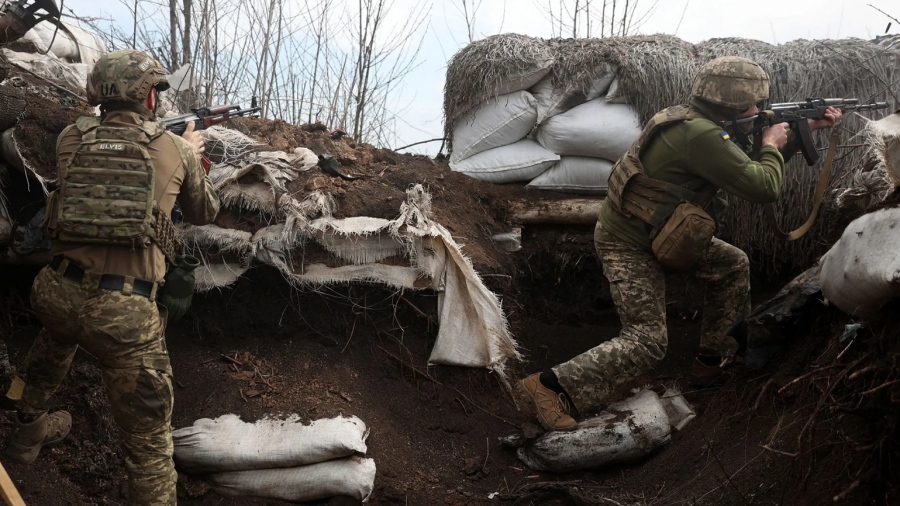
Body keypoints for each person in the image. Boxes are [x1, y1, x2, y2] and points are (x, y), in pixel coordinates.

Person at [518, 56, 842, 431]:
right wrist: (771, 144)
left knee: (731, 265)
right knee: (647, 342)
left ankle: (712, 362)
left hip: (665, 232)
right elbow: (763, 186)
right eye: (752, 106)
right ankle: (548, 386)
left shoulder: (696, 121)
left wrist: (803, 133)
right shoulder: (701, 135)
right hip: (628, 241)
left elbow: (741, 170)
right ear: (729, 105)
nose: (759, 111)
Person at [5, 49, 220, 504]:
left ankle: (25, 438)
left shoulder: (69, 138)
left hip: (56, 291)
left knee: (54, 344)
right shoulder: (176, 148)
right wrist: (195, 157)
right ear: (147, 98)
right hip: (124, 316)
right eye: (155, 91)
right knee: (149, 445)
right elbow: (204, 211)